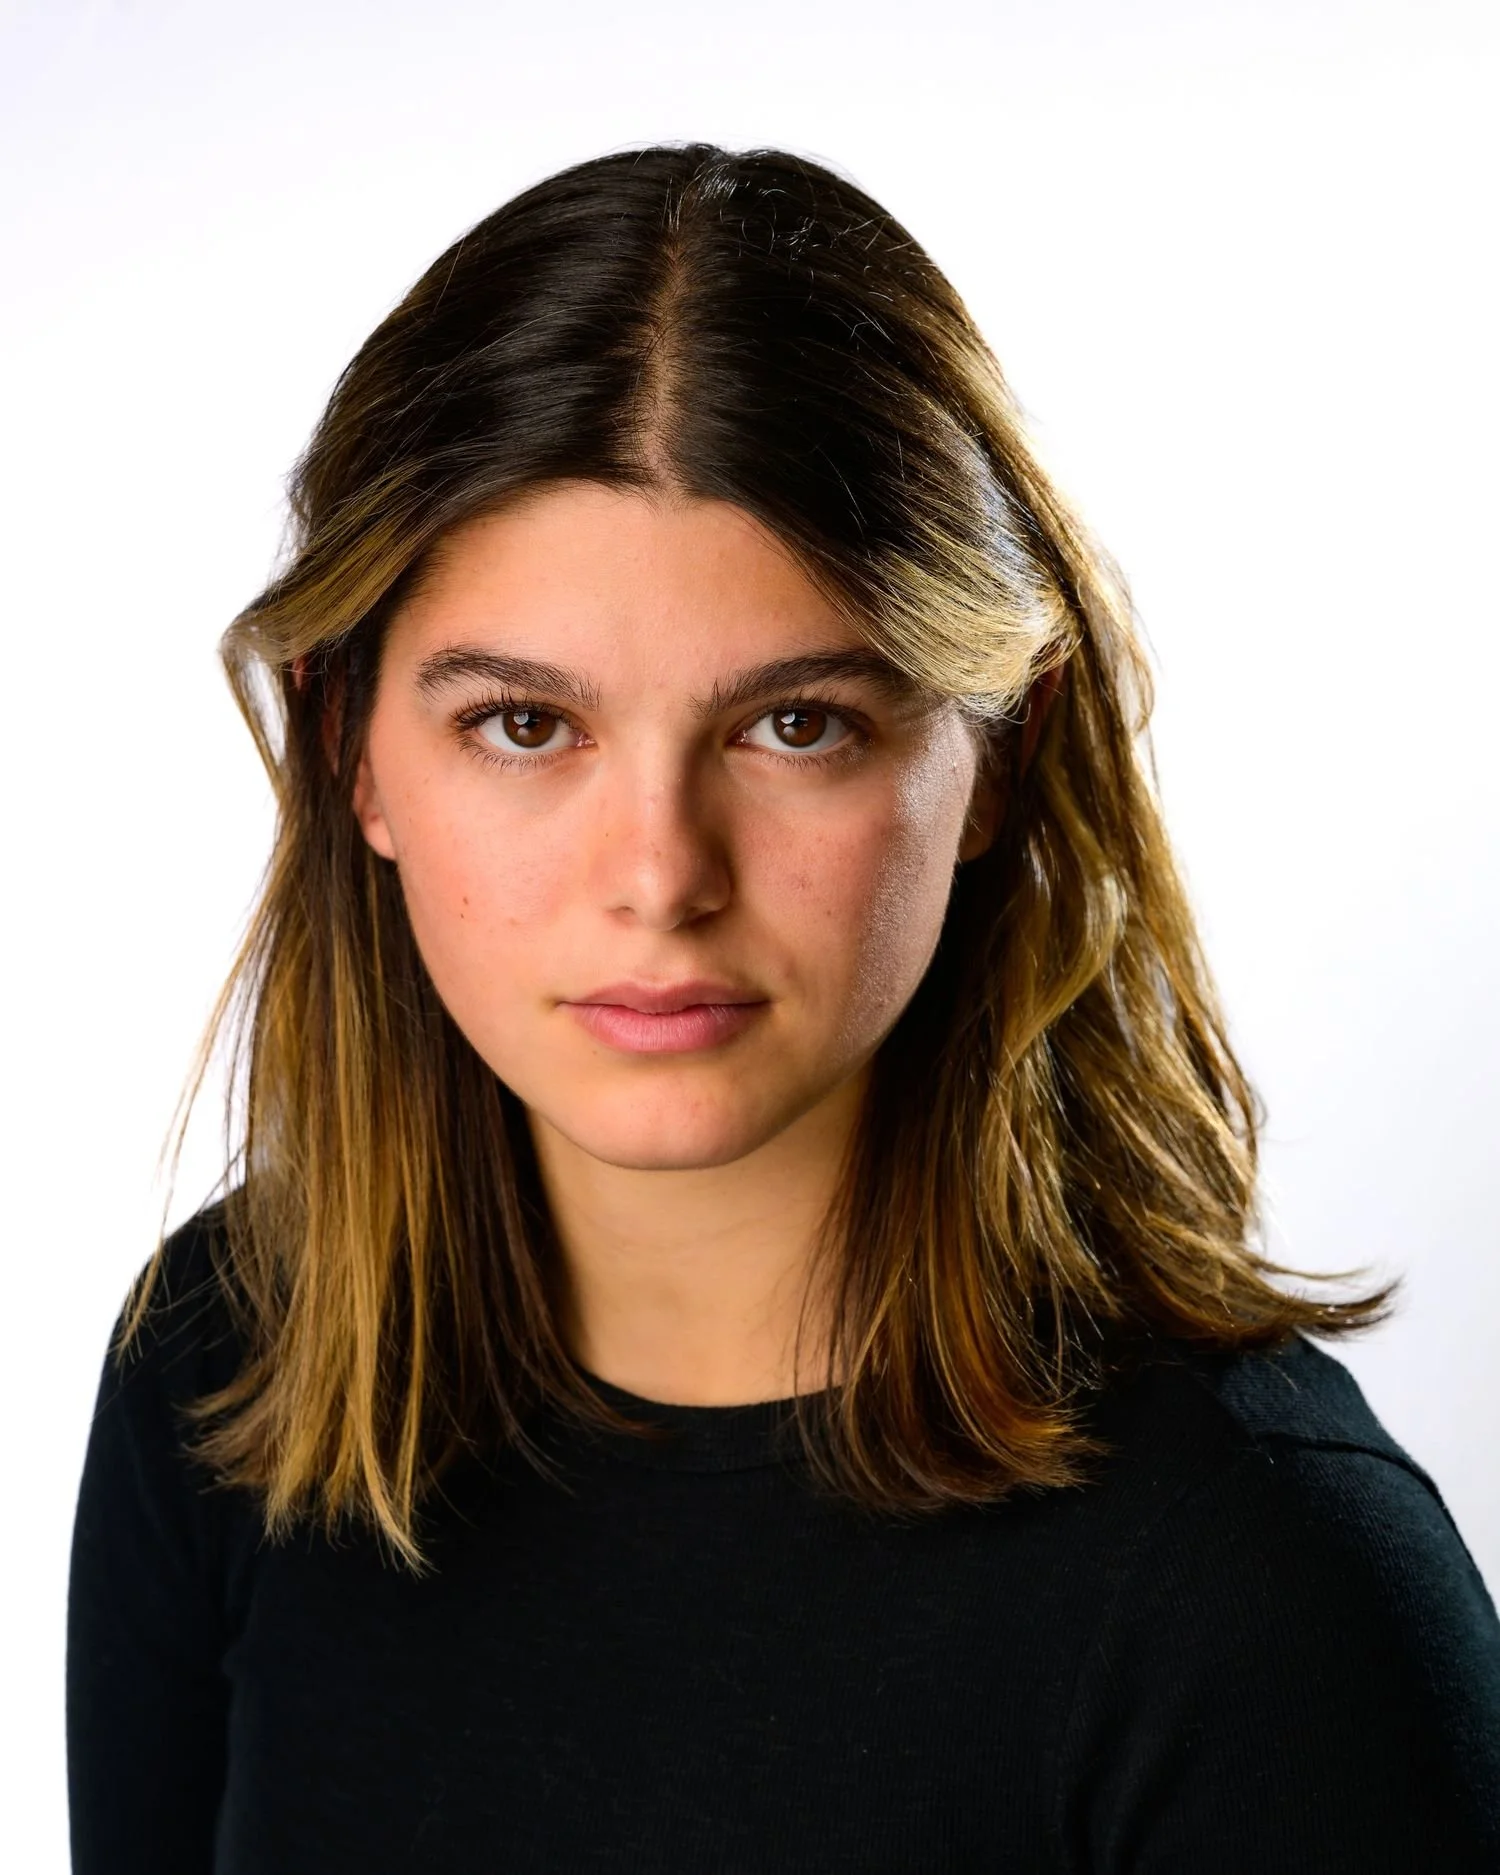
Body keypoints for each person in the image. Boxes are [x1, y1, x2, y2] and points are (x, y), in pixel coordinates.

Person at [66, 141, 1500, 1872]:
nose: (661, 873)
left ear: (999, 757)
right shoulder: (225, 1365)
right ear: (349, 750)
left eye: (797, 723)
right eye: (526, 723)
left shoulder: (1268, 1587)